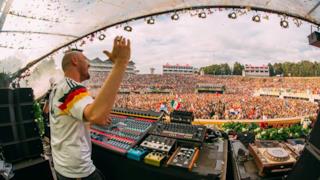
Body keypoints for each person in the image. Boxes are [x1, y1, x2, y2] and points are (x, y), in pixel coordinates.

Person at [49, 36, 131, 180]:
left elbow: (66, 117)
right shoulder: (72, 88)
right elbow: (97, 115)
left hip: (62, 166)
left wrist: (90, 120)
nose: (89, 64)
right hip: (77, 170)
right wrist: (121, 63)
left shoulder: (58, 87)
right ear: (75, 60)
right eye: (86, 59)